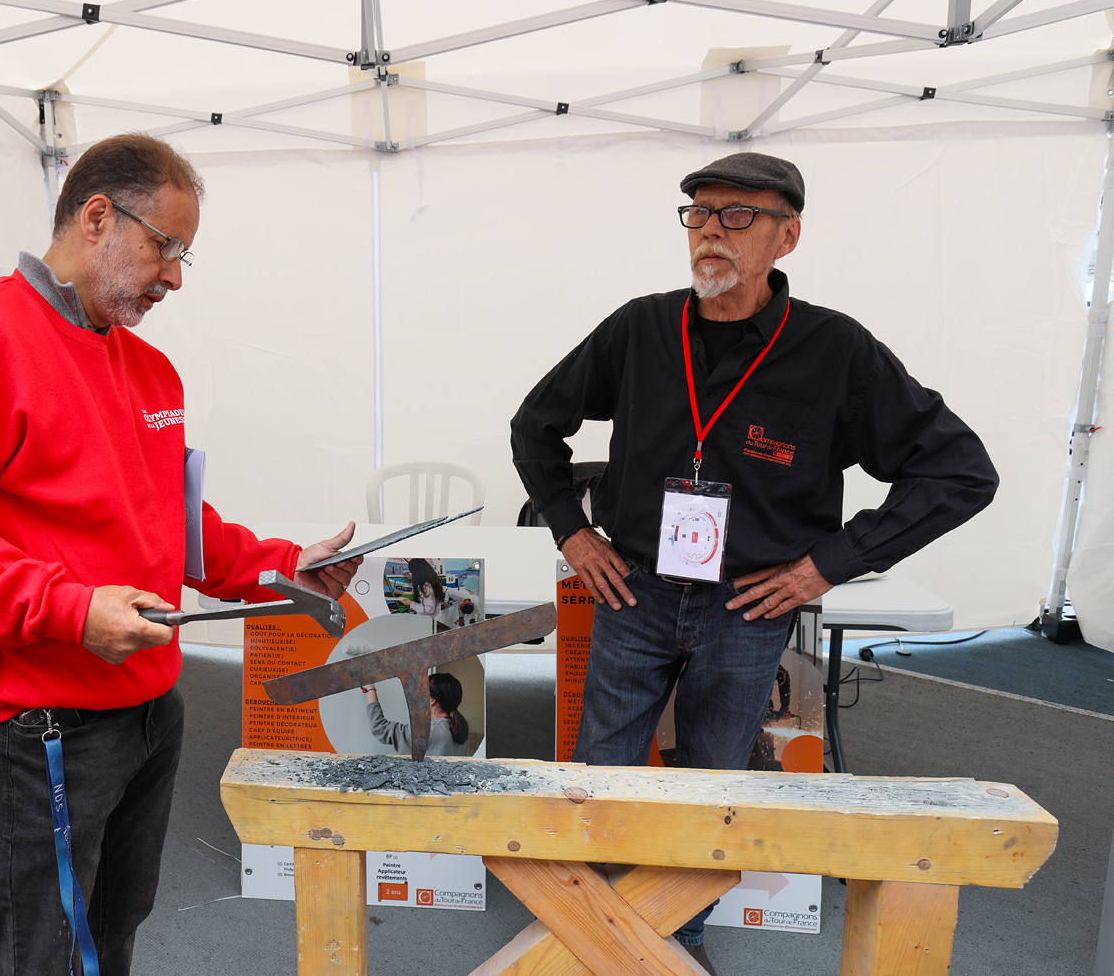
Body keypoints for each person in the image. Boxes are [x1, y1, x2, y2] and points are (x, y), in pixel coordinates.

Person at [0, 132, 362, 976]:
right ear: (97, 217)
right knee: (41, 952)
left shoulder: (149, 370)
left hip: (149, 711)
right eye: (166, 247)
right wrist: (70, 609)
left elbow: (169, 520)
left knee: (114, 926)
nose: (174, 277)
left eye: (183, 256)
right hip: (38, 729)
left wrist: (279, 566)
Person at [509, 151, 997, 974]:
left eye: (738, 215)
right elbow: (535, 424)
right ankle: (590, 930)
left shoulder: (835, 349)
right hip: (634, 588)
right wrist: (572, 531)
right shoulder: (641, 329)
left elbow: (960, 471)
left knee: (713, 782)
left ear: (787, 236)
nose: (712, 230)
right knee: (601, 772)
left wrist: (827, 564)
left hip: (749, 607)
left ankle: (680, 936)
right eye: (699, 213)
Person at [362, 672, 470, 756]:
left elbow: (380, 728)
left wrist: (371, 689)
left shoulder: (427, 732)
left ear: (432, 700)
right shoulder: (459, 729)